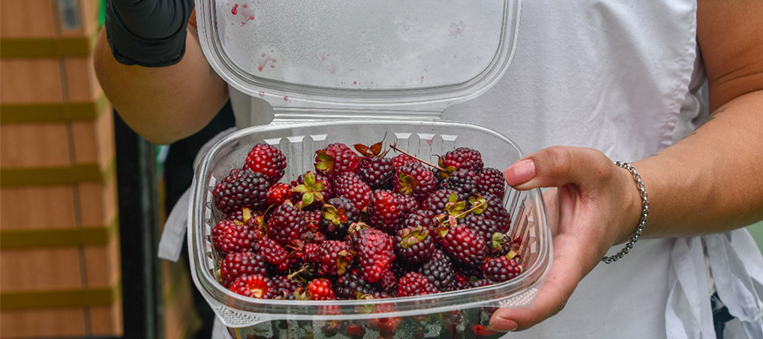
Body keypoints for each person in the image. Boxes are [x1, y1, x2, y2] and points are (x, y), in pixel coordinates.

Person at [94, 0, 763, 338]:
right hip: (305, 306)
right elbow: (165, 113)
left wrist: (629, 199)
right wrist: (143, 31)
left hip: (615, 314)